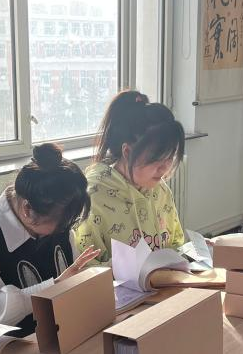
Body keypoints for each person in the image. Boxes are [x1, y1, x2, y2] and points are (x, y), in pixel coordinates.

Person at [0, 143, 99, 334]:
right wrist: (54, 286)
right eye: (61, 224)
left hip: (60, 335)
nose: (65, 229)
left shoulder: (56, 218)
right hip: (7, 346)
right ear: (27, 209)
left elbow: (71, 279)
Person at [74, 90, 186, 264]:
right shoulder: (94, 197)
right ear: (127, 152)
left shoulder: (160, 189)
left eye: (170, 157)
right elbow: (86, 268)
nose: (164, 168)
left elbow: (176, 244)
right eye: (157, 158)